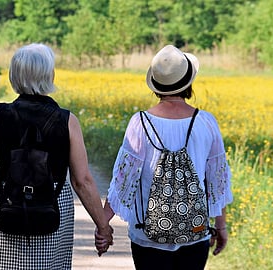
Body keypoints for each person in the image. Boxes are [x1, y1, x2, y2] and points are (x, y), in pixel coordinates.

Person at [0, 43, 113, 269]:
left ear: (14, 76)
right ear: (50, 75)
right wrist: (103, 227)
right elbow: (81, 180)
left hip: (9, 202)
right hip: (53, 205)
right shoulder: (67, 120)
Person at [103, 45, 233, 270]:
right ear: (188, 83)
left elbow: (124, 181)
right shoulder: (206, 122)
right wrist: (220, 226)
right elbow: (217, 182)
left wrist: (102, 224)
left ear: (156, 85)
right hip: (194, 232)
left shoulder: (140, 123)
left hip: (147, 235)